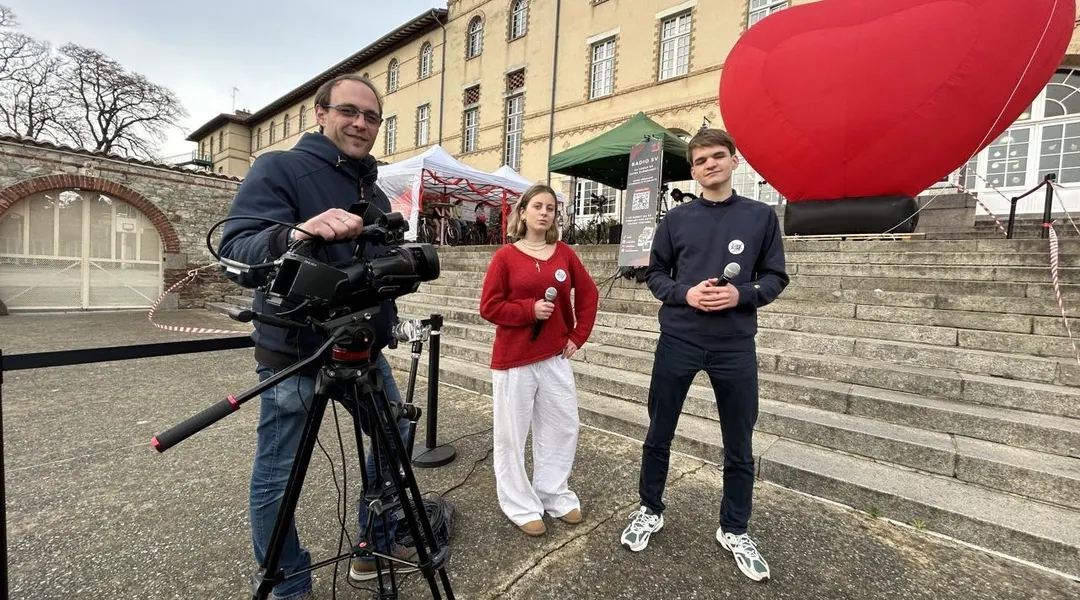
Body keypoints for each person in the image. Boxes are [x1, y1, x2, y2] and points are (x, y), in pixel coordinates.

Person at [218, 74, 416, 600]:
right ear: (321, 113)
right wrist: (296, 234)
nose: (361, 124)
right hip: (295, 353)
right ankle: (288, 585)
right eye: (350, 111)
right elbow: (237, 251)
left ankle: (373, 547)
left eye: (372, 117)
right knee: (280, 476)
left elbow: (369, 271)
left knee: (399, 439)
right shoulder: (279, 168)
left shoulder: (371, 188)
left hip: (363, 350)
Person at [619, 128, 789, 582]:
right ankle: (650, 508)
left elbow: (775, 277)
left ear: (735, 161)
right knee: (659, 431)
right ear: (692, 170)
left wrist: (742, 294)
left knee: (739, 442)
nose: (709, 165)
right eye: (700, 161)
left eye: (718, 157)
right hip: (679, 339)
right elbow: (654, 274)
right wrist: (683, 293)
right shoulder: (675, 220)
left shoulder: (760, 217)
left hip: (734, 344)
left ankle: (734, 528)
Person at [478, 184, 600, 537]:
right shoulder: (505, 257)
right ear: (523, 212)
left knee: (563, 426)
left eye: (551, 208)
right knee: (512, 435)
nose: (544, 213)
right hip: (514, 359)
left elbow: (589, 294)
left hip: (554, 356)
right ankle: (519, 503)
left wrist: (578, 335)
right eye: (538, 206)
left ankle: (553, 494)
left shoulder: (564, 254)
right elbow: (490, 306)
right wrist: (528, 309)